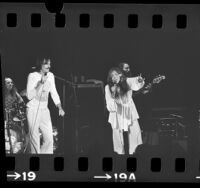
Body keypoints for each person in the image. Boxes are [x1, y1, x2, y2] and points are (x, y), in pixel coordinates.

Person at [26, 58, 65, 154]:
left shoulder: (51, 75)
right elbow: (29, 96)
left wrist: (59, 107)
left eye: (50, 64)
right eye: (46, 64)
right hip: (32, 109)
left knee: (49, 139)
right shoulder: (32, 76)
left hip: (44, 110)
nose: (49, 66)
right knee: (34, 140)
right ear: (40, 64)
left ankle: (45, 161)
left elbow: (54, 92)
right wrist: (40, 83)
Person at [105, 67, 145, 154]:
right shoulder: (108, 87)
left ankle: (136, 154)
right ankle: (119, 158)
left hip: (129, 111)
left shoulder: (126, 81)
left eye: (116, 74)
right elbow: (109, 105)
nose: (114, 77)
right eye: (112, 76)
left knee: (135, 134)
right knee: (117, 139)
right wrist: (113, 94)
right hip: (116, 114)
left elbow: (135, 83)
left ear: (120, 74)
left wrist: (139, 80)